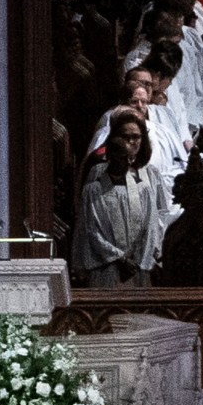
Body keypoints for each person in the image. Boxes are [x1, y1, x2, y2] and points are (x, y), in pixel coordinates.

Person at [73, 106, 166, 288]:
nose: (131, 142)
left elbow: (159, 215)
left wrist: (146, 253)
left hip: (141, 258)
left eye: (136, 137)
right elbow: (88, 220)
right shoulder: (98, 173)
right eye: (125, 137)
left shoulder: (151, 174)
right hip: (105, 261)